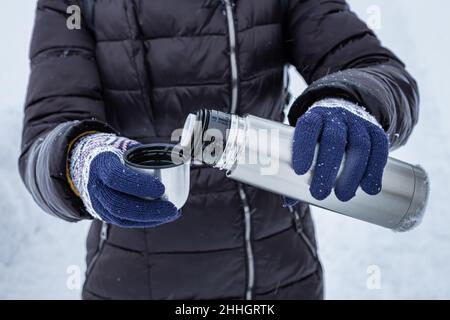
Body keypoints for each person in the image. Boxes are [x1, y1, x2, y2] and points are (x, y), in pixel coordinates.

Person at [19, 0, 419, 300]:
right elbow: (49, 128)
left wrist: (350, 100)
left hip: (277, 277)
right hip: (127, 280)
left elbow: (374, 67)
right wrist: (78, 157)